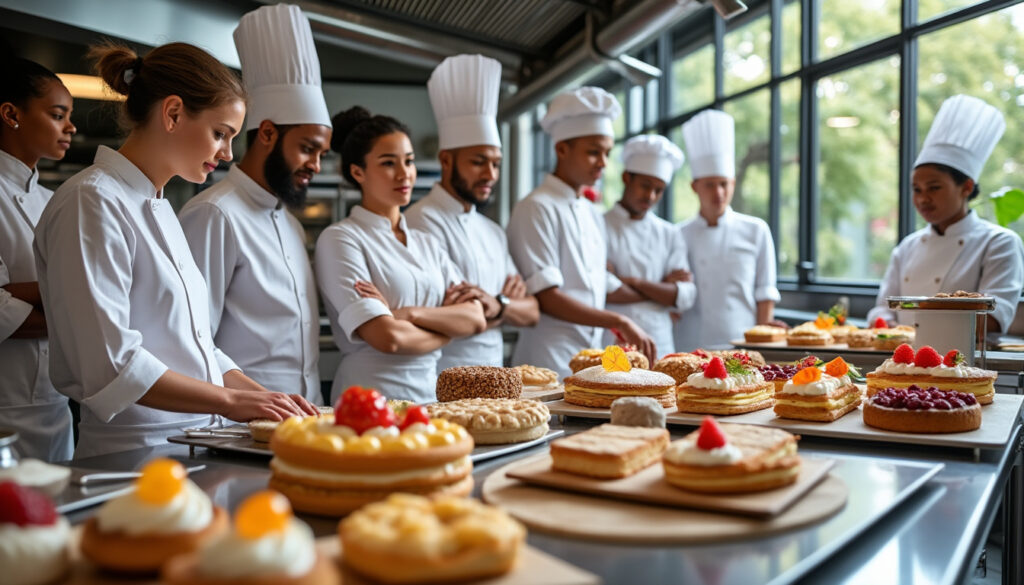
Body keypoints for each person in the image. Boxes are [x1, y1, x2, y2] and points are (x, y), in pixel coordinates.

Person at [33, 42, 316, 459]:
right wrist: (233, 403)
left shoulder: (160, 206)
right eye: (220, 134)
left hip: (196, 443)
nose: (227, 154)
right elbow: (111, 363)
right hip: (134, 454)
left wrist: (270, 401)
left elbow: (197, 346)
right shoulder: (91, 201)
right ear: (173, 113)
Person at [179, 4, 331, 405]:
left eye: (322, 153)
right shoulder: (214, 215)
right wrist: (253, 402)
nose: (315, 165)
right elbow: (192, 340)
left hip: (301, 414)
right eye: (307, 149)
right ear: (266, 133)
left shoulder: (292, 225)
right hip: (240, 420)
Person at [315, 107, 486, 403]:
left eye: (409, 161)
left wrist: (405, 314)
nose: (404, 173)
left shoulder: (426, 242)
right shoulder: (341, 239)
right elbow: (389, 339)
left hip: (430, 396)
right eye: (388, 163)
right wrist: (445, 332)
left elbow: (475, 318)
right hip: (369, 396)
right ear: (358, 172)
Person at [506, 87, 655, 378]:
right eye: (593, 152)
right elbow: (547, 297)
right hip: (547, 356)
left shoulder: (590, 212)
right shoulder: (536, 207)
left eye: (607, 153)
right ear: (561, 149)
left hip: (591, 354)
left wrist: (663, 294)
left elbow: (598, 280)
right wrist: (619, 320)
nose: (602, 162)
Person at [405, 54, 538, 369]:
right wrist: (501, 309)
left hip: (495, 374)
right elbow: (437, 317)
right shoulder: (418, 221)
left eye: (496, 163)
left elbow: (532, 312)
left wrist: (496, 303)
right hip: (441, 377)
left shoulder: (492, 231)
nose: (490, 174)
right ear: (446, 160)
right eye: (478, 161)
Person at [867, 95, 1024, 332]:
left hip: (965, 365)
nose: (922, 199)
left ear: (967, 187)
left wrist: (915, 327)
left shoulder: (999, 242)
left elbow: (993, 320)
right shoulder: (907, 247)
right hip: (902, 361)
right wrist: (884, 322)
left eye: (934, 187)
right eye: (916, 189)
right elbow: (882, 308)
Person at [0, 58, 75, 461]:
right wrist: (75, 305)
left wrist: (22, 293)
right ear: (11, 114)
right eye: (57, 115)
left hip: (56, 407)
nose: (71, 128)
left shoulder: (54, 201)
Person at [676, 109, 782, 351]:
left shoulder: (756, 230)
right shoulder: (678, 234)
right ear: (694, 186)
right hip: (691, 344)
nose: (718, 193)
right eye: (710, 185)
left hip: (742, 342)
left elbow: (765, 292)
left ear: (733, 184)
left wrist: (762, 346)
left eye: (724, 184)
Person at [604, 134, 695, 357]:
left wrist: (632, 281)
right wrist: (659, 288)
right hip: (612, 341)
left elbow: (685, 295)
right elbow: (604, 290)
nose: (651, 196)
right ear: (626, 178)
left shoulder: (669, 233)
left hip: (660, 341)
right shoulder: (599, 225)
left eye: (659, 189)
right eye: (645, 186)